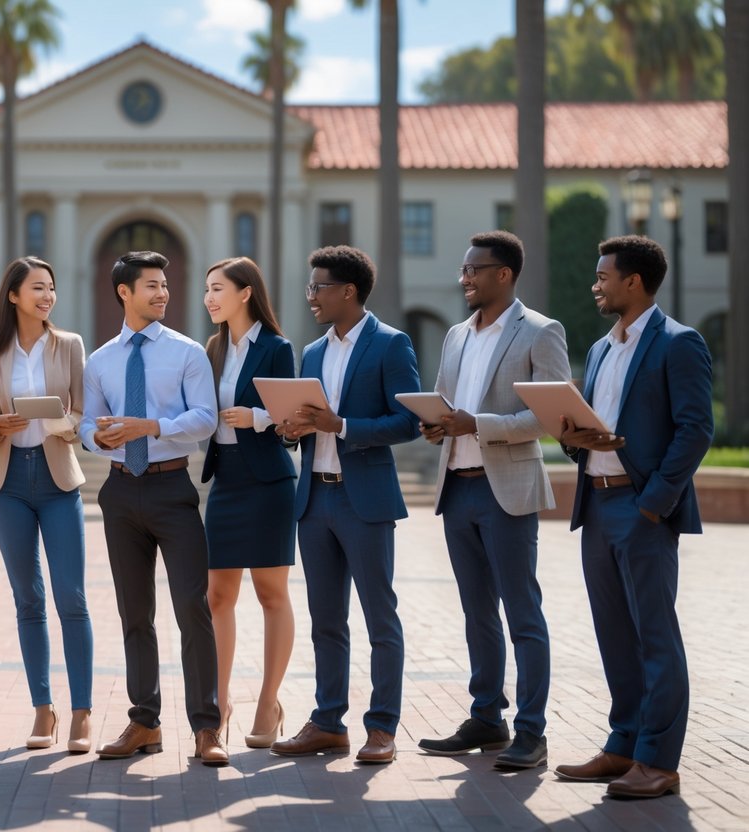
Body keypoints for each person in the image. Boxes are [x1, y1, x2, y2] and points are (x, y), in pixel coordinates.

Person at [555, 235, 713, 799]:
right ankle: (623, 745)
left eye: (603, 276)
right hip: (596, 506)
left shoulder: (679, 343)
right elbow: (601, 425)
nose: (595, 284)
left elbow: (696, 430)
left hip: (642, 508)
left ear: (634, 282)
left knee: (655, 637)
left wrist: (655, 502)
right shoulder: (599, 350)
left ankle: (658, 761)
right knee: (614, 635)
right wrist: (573, 438)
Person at [415, 231, 570, 770]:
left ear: (503, 274)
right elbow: (444, 404)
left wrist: (477, 425)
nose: (463, 278)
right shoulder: (457, 334)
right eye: (463, 269)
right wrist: (436, 425)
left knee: (522, 612)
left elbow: (549, 418)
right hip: (457, 488)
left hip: (507, 489)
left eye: (472, 270)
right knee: (477, 611)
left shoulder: (541, 332)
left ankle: (532, 731)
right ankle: (487, 718)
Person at [79, 250, 228, 767]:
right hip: (120, 493)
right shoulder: (99, 360)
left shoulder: (187, 353)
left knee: (193, 607)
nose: (163, 293)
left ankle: (207, 727)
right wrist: (97, 437)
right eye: (151, 286)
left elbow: (205, 418)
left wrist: (152, 427)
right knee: (134, 614)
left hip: (172, 489)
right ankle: (144, 722)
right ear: (125, 292)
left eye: (165, 285)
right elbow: (85, 425)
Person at [272, 245, 419, 764]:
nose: (310, 296)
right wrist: (293, 430)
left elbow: (407, 422)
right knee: (326, 619)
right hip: (314, 499)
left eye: (318, 287)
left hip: (365, 500)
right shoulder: (311, 353)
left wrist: (343, 426)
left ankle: (381, 728)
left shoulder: (390, 345)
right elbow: (307, 426)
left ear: (348, 291)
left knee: (381, 617)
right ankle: (328, 722)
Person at [0, 256, 94, 754]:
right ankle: (43, 709)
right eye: (37, 288)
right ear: (14, 296)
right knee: (29, 600)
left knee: (72, 598)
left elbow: (85, 413)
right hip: (9, 486)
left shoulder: (69, 346)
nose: (47, 296)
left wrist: (61, 420)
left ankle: (82, 713)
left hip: (58, 479)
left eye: (51, 288)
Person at [200, 256, 297, 749]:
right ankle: (219, 701)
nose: (209, 297)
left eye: (218, 288)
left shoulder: (278, 348)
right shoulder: (211, 350)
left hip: (269, 482)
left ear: (245, 293)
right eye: (207, 290)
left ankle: (269, 699)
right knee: (217, 596)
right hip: (227, 482)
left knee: (271, 594)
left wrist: (256, 418)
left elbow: (293, 417)